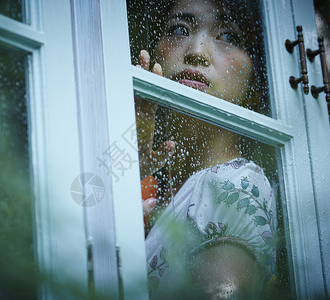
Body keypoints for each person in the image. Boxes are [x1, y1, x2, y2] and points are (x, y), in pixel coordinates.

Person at [132, 0, 276, 298]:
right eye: (179, 29)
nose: (197, 52)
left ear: (258, 86)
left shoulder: (233, 187)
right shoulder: (149, 183)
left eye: (228, 36)